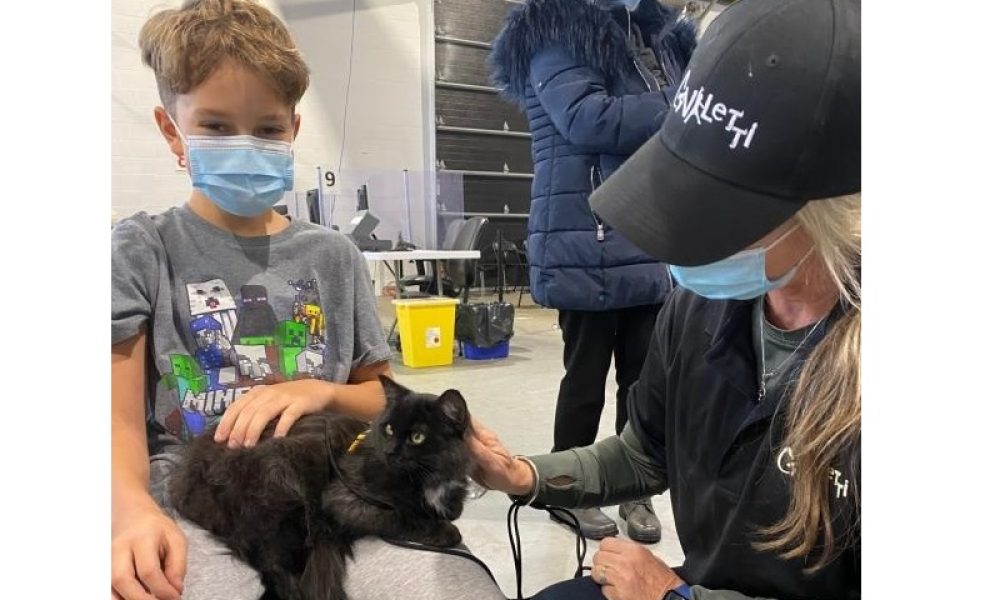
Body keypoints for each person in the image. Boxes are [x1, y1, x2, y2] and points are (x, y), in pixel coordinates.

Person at [110, 2, 505, 599]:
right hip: (201, 500)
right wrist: (130, 511)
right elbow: (112, 421)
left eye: (267, 128)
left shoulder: (333, 256)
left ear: (293, 129)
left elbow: (381, 396)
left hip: (340, 481)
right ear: (172, 130)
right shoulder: (143, 249)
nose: (244, 145)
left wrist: (321, 391)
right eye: (215, 127)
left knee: (450, 588)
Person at [468, 0, 861, 598]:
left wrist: (675, 597)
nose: (684, 236)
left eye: (715, 207)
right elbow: (643, 454)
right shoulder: (701, 311)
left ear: (826, 208)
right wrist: (524, 476)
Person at [488, 0, 696, 543]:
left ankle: (635, 492)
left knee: (642, 382)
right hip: (586, 239)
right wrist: (687, 101)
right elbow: (587, 119)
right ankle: (567, 491)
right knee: (584, 383)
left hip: (648, 238)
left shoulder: (654, 39)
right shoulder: (557, 34)